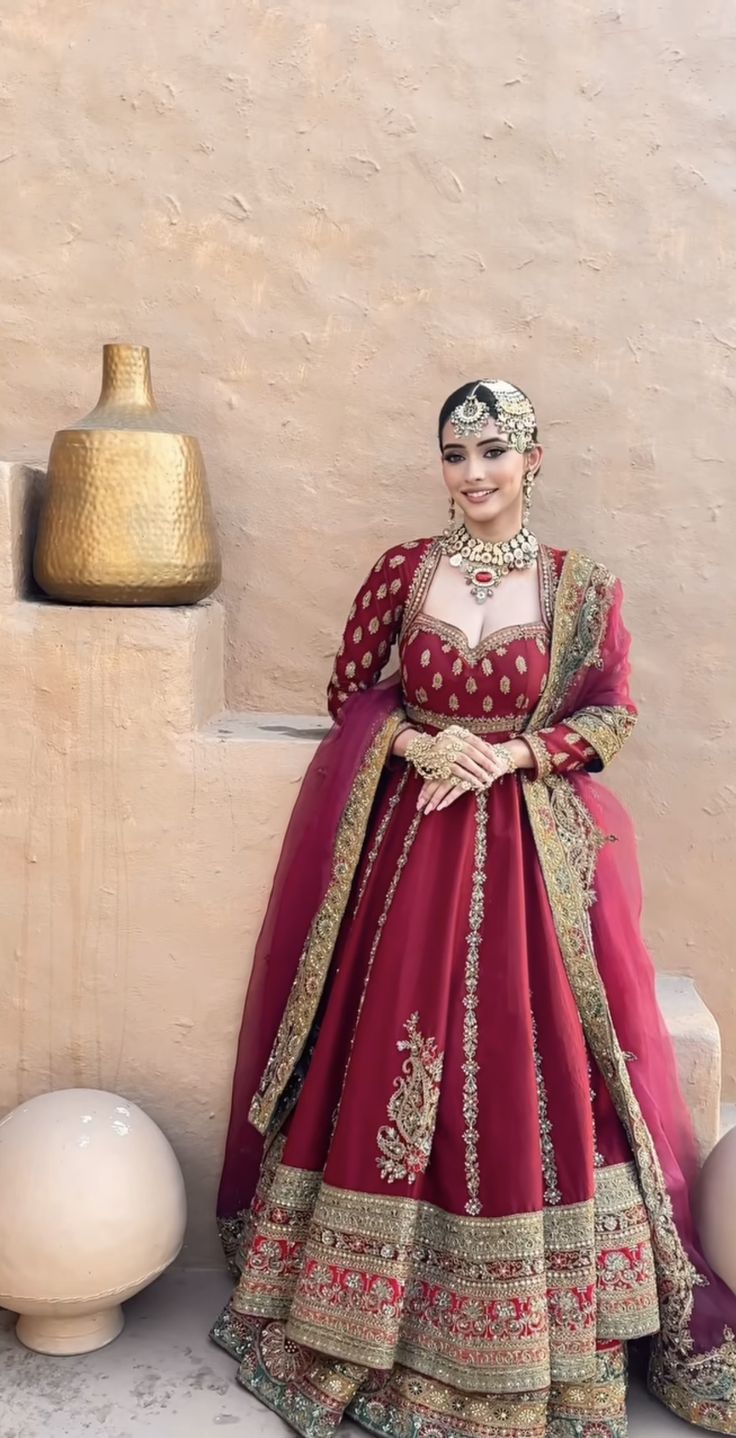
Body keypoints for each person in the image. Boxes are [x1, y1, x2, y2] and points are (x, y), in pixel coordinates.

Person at [210, 380, 736, 1438]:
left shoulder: (578, 587)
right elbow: (352, 695)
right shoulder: (406, 573)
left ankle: (534, 1337)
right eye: (454, 453)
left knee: (534, 1067)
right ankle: (370, 1316)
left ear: (533, 457)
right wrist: (412, 741)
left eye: (493, 449)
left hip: (536, 862)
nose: (474, 471)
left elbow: (611, 712)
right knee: (398, 1059)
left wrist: (512, 751)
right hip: (411, 859)